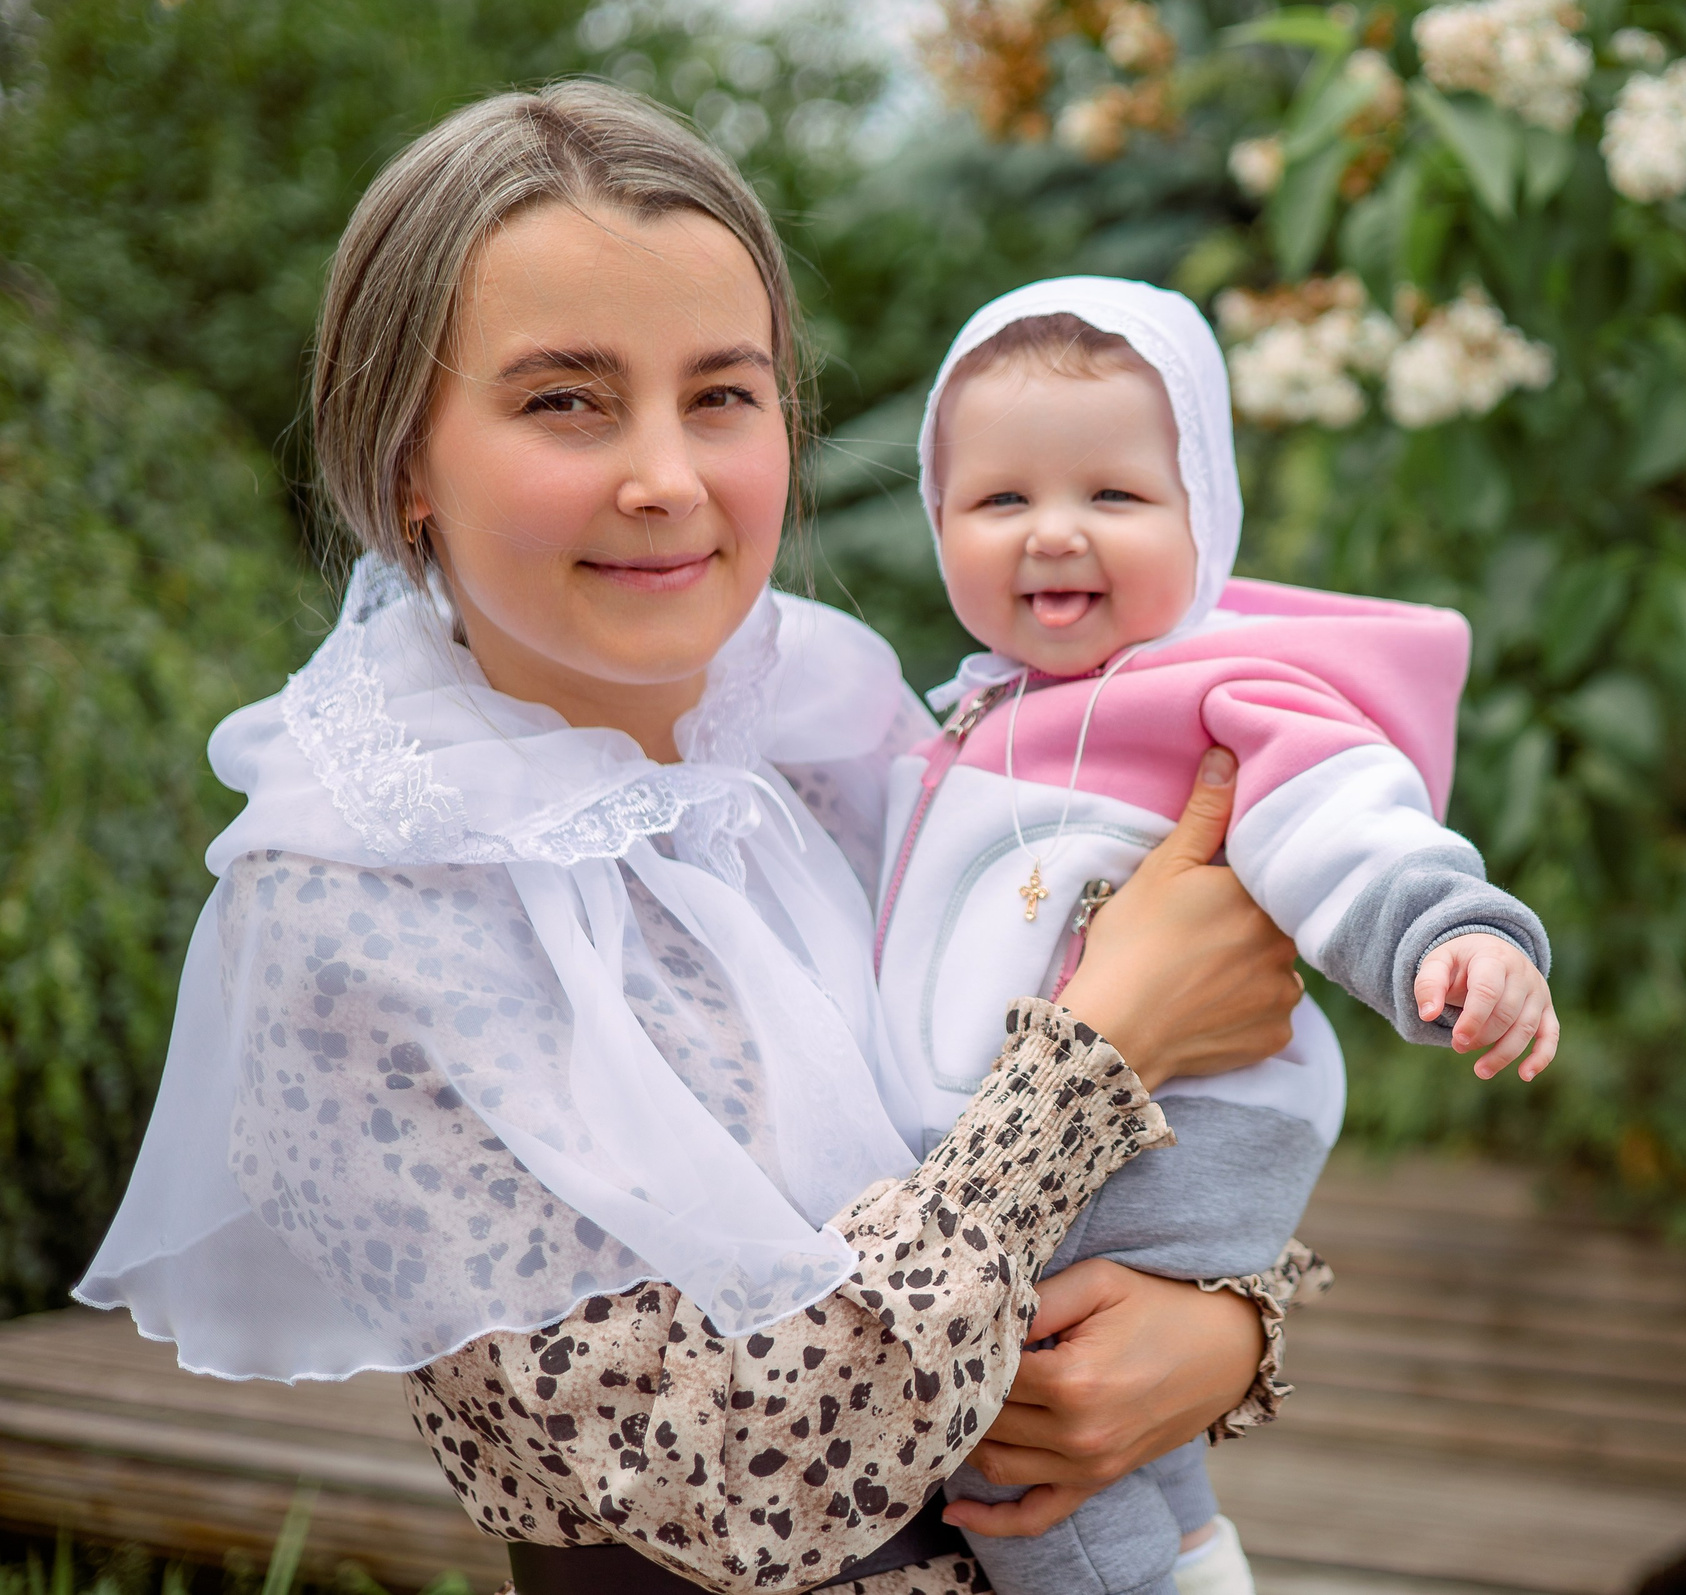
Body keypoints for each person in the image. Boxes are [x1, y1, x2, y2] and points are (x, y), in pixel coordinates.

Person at [74, 82, 1323, 1595]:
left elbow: (1143, 1189)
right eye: (564, 400)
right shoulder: (359, 897)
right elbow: (750, 1484)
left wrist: (1226, 1330)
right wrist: (1102, 1046)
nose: (666, 477)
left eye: (721, 394)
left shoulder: (835, 736)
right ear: (406, 457)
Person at [875, 279, 1561, 1595]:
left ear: (1208, 520)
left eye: (1115, 498)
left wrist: (1452, 931)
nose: (1054, 534)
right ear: (940, 519)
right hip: (1057, 1139)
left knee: (1024, 1442)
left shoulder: (1225, 698)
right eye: (1001, 500)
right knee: (1128, 1456)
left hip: (1173, 1134)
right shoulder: (960, 722)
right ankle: (1195, 1560)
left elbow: (1347, 823)